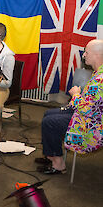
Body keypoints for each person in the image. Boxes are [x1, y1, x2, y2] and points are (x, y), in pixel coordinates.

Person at [37, 39, 103, 174]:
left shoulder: (99, 80)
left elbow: (87, 109)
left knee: (50, 122)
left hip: (92, 125)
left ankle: (58, 164)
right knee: (48, 114)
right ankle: (52, 155)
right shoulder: (98, 73)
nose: (84, 55)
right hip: (87, 116)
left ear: (97, 55)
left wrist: (76, 95)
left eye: (86, 52)